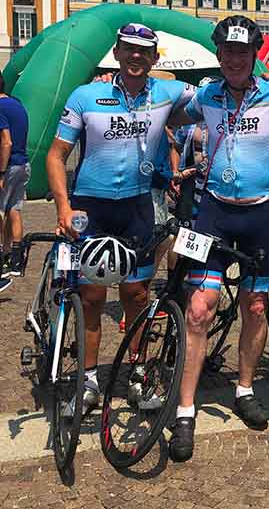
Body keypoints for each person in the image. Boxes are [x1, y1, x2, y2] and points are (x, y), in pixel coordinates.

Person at [168, 15, 269, 462]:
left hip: (260, 215)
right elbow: (170, 117)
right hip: (213, 212)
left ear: (254, 55)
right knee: (198, 310)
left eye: (243, 52)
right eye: (228, 51)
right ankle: (186, 412)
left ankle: (245, 389)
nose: (234, 58)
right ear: (219, 54)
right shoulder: (206, 94)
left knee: (254, 307)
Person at [46, 23, 194, 414]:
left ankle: (140, 375)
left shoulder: (167, 92)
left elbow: (219, 93)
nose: (135, 56)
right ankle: (88, 381)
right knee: (92, 297)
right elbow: (55, 156)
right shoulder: (86, 95)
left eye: (144, 52)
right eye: (128, 49)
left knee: (137, 296)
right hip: (91, 209)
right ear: (116, 51)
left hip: (136, 208)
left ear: (154, 58)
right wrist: (63, 207)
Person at [0, 74, 30, 285]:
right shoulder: (17, 104)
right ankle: (15, 258)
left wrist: (1, 172)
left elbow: (6, 142)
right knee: (14, 209)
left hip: (8, 166)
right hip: (23, 164)